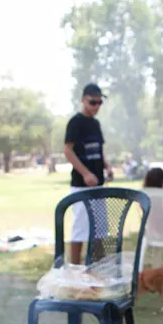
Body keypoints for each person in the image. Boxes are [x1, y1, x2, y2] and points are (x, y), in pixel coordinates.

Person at [63, 83, 113, 265]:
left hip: (98, 184)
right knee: (80, 230)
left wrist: (107, 166)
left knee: (100, 230)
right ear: (83, 100)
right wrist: (85, 173)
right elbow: (68, 150)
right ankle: (75, 270)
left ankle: (98, 268)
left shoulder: (96, 124)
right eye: (93, 102)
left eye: (99, 103)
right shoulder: (75, 122)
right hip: (81, 185)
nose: (96, 106)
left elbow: (99, 150)